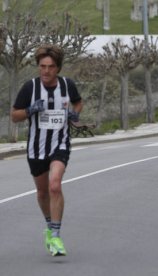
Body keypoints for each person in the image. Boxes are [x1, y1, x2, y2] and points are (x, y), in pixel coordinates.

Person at [11, 45, 83, 256]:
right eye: (42, 66)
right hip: (36, 148)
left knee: (54, 185)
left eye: (50, 67)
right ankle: (49, 227)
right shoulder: (30, 88)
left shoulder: (67, 85)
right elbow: (14, 115)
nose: (46, 71)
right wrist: (30, 110)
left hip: (60, 143)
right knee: (42, 192)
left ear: (58, 68)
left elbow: (78, 103)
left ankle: (57, 236)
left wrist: (73, 114)